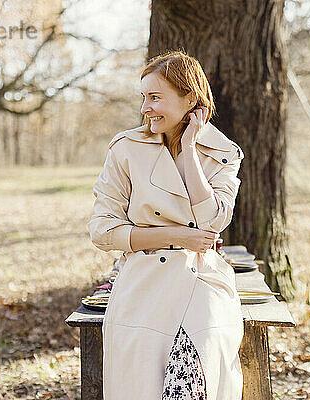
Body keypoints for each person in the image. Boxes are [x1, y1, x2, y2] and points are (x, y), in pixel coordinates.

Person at [87, 50, 245, 400]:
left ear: (190, 98)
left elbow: (214, 219)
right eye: (144, 97)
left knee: (197, 365)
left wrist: (189, 149)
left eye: (155, 97)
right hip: (143, 278)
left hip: (201, 278)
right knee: (140, 376)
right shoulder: (126, 149)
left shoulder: (222, 153)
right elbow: (101, 229)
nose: (145, 108)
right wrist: (177, 236)